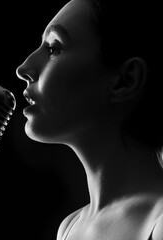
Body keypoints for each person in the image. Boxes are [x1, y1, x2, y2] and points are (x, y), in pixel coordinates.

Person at [15, 0, 163, 239]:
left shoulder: (158, 223)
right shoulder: (69, 228)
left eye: (54, 47)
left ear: (126, 80)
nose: (24, 68)